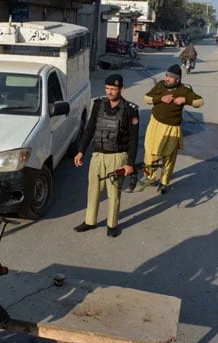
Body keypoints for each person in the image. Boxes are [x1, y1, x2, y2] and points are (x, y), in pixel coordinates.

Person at [73, 74, 139, 238]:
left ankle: (112, 224)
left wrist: (130, 164)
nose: (110, 92)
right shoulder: (98, 105)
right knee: (93, 189)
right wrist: (81, 150)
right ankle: (90, 220)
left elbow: (133, 139)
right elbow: (89, 129)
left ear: (121, 89)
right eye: (107, 89)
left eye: (113, 89)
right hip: (98, 155)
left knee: (114, 192)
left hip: (117, 156)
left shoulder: (130, 110)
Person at [138, 64, 204, 194]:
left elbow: (200, 101)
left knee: (169, 157)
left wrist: (185, 100)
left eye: (171, 77)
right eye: (167, 75)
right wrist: (160, 98)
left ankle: (164, 182)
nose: (167, 78)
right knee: (150, 152)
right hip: (155, 125)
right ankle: (150, 177)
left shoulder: (183, 90)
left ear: (178, 80)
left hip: (172, 128)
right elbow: (146, 98)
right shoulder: (160, 85)